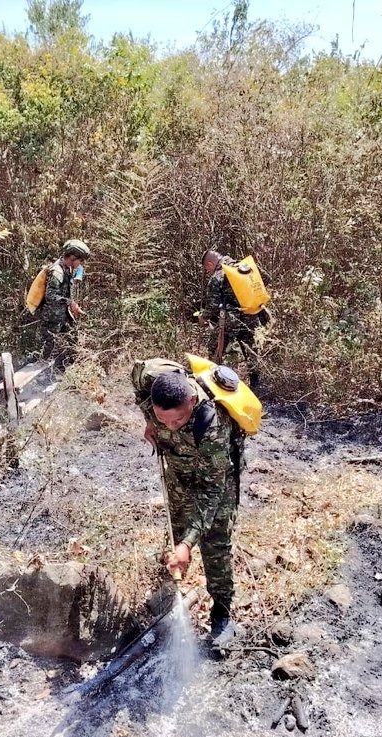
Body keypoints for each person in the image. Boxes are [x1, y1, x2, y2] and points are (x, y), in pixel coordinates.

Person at [131, 359, 244, 650]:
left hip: (216, 479)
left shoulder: (212, 427)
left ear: (192, 402)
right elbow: (137, 373)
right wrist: (148, 422)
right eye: (162, 418)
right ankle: (173, 582)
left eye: (177, 420)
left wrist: (190, 542)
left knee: (215, 543)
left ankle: (222, 613)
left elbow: (211, 492)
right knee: (176, 530)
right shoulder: (151, 382)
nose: (169, 424)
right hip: (178, 472)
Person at [199, 248, 262, 383]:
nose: (208, 272)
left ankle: (218, 382)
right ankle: (256, 384)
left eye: (207, 269)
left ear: (210, 264)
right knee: (251, 349)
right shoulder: (242, 267)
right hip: (252, 315)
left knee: (215, 348)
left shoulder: (217, 276)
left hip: (231, 319)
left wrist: (203, 317)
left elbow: (212, 307)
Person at [41, 239, 90, 368]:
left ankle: (65, 373)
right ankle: (42, 380)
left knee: (71, 342)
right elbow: (50, 296)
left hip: (62, 316)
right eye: (80, 260)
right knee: (48, 352)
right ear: (73, 257)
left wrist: (73, 305)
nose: (80, 264)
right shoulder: (57, 272)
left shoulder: (67, 268)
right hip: (52, 319)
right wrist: (69, 302)